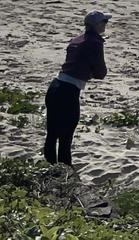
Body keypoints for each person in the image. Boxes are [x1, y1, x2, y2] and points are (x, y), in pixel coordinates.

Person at [43, 11, 110, 166]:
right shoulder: (95, 42)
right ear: (97, 25)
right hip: (69, 91)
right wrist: (92, 73)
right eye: (104, 21)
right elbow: (101, 72)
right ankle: (65, 172)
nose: (106, 24)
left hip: (55, 86)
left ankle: (50, 168)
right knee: (66, 136)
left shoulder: (76, 40)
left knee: (52, 134)